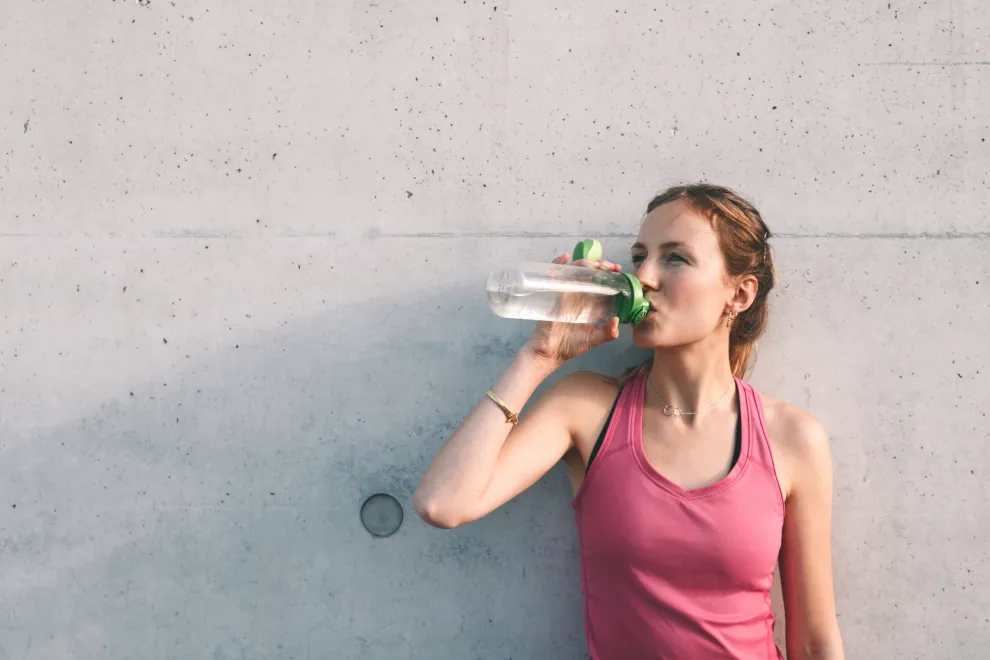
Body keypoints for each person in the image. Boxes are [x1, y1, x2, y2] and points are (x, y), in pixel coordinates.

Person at [413, 184, 845, 660]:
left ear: (739, 294)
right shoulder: (588, 408)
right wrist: (539, 357)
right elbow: (442, 504)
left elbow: (814, 642)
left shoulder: (791, 439)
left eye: (675, 258)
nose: (644, 277)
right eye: (640, 257)